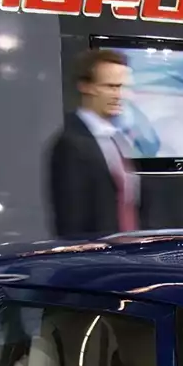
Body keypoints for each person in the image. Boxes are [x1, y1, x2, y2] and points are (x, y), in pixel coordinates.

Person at [46, 48, 139, 237]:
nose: (120, 95)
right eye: (111, 86)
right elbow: (71, 222)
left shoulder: (118, 140)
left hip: (130, 251)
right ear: (85, 86)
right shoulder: (70, 144)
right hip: (100, 252)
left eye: (124, 87)